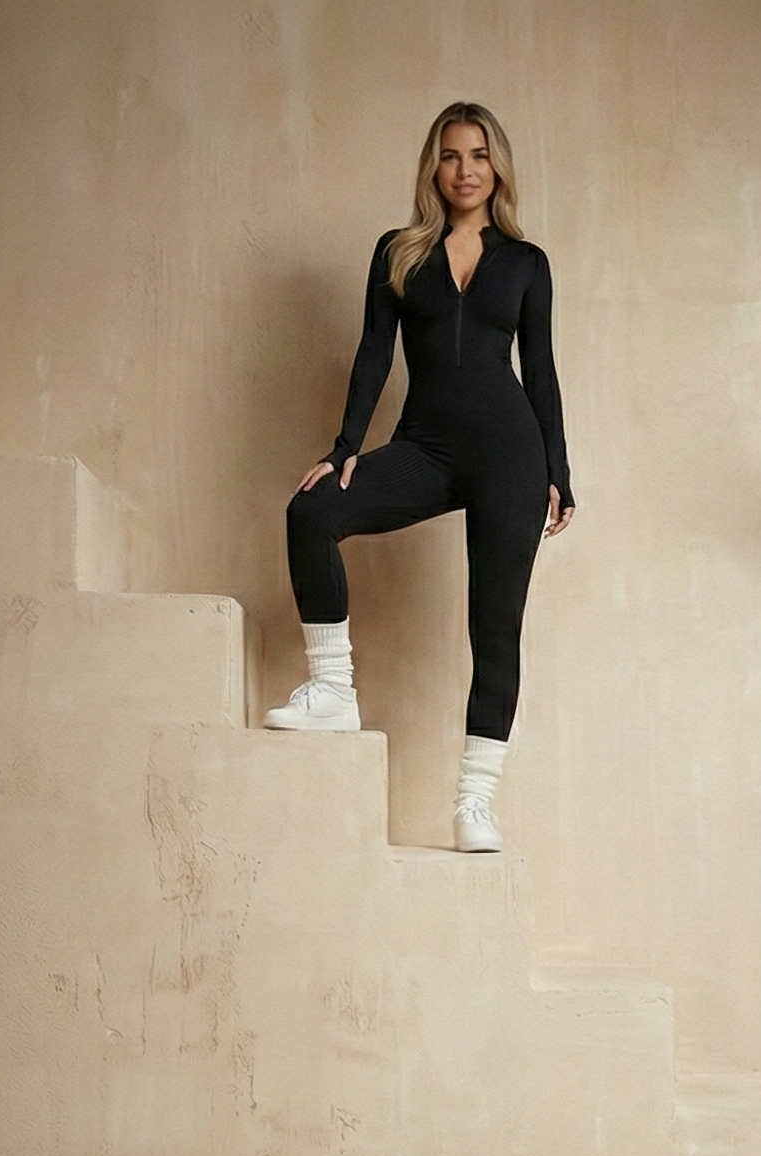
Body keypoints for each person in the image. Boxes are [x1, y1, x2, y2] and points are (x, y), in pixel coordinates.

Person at [264, 101, 574, 854]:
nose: (464, 170)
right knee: (311, 513)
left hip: (511, 454)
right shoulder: (398, 251)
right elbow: (374, 352)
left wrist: (559, 470)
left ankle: (475, 802)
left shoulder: (526, 263)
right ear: (432, 168)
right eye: (449, 155)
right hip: (426, 448)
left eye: (477, 155)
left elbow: (542, 370)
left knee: (493, 630)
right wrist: (344, 448)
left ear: (496, 165)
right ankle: (333, 689)